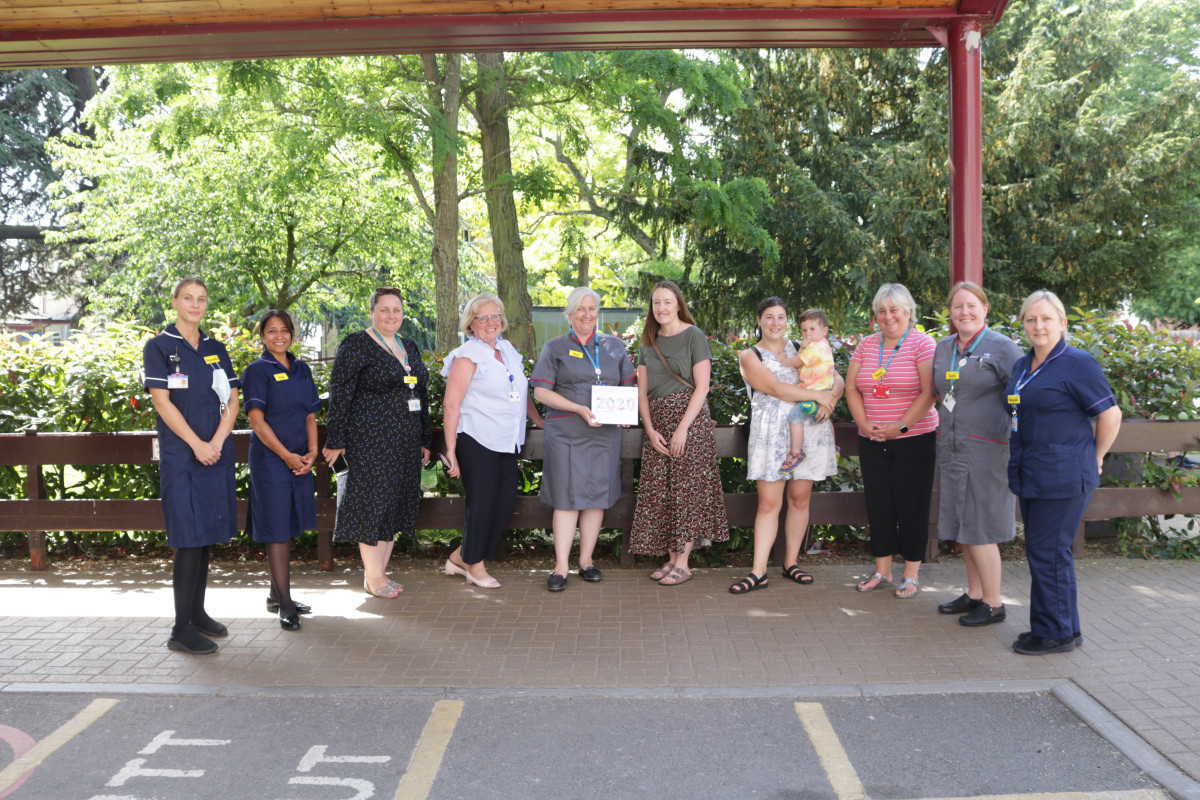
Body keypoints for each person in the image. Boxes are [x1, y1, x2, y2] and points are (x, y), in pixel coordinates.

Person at [1007, 290, 1121, 655]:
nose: (1038, 326)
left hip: (1064, 474)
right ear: (1023, 324)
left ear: (1062, 323)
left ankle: (1054, 634)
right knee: (1048, 552)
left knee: (1048, 551)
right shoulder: (1023, 365)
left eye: (1046, 318)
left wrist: (1097, 455)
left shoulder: (1077, 363)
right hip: (1032, 471)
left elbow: (1110, 414)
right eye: (1031, 319)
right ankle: (1062, 628)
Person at [143, 277, 241, 655]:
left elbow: (232, 399)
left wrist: (215, 442)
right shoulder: (160, 347)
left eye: (201, 299)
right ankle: (180, 629)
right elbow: (163, 403)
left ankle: (197, 613)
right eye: (188, 298)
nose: (195, 304)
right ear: (175, 302)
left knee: (204, 538)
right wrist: (197, 444)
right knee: (187, 539)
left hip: (214, 454)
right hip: (183, 458)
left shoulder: (216, 348)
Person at [321, 288, 431, 599]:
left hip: (406, 442)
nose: (391, 315)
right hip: (370, 440)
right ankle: (374, 575)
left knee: (394, 506)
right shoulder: (357, 344)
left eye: (396, 310)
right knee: (372, 505)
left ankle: (378, 574)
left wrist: (424, 438)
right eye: (384, 310)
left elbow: (420, 394)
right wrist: (337, 439)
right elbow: (340, 394)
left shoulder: (408, 345)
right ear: (372, 312)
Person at [731, 297, 842, 594]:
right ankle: (758, 572)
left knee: (799, 500)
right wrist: (819, 397)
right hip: (770, 435)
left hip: (806, 430)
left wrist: (830, 399)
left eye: (781, 317)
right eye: (769, 317)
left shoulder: (804, 346)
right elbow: (774, 388)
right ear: (759, 320)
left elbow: (836, 378)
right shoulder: (750, 355)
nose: (776, 323)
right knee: (768, 504)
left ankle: (791, 563)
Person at [531, 286, 636, 592]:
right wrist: (577, 407)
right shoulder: (554, 347)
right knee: (566, 499)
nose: (587, 314)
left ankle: (586, 562)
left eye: (592, 309)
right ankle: (561, 567)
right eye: (580, 309)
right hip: (566, 433)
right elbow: (541, 391)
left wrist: (625, 411)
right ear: (570, 314)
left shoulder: (614, 347)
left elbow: (630, 385)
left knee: (596, 497)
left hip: (604, 434)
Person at [931, 282, 1024, 627]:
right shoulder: (944, 348)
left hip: (988, 451)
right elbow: (939, 392)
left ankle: (994, 603)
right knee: (963, 524)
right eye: (957, 307)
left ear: (985, 309)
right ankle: (974, 594)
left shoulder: (1003, 348)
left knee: (982, 528)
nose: (964, 313)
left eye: (972, 306)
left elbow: (1022, 397)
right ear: (950, 312)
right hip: (953, 448)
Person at [628, 280, 729, 586]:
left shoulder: (693, 336)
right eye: (656, 302)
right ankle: (671, 558)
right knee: (663, 493)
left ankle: (683, 563)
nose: (661, 308)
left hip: (690, 422)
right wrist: (649, 429)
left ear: (678, 304)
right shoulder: (648, 342)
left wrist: (682, 428)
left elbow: (702, 387)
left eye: (667, 302)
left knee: (687, 491)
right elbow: (642, 393)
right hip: (657, 424)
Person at [442, 292, 544, 589]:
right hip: (477, 439)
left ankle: (461, 557)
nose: (490, 322)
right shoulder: (467, 356)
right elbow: (451, 404)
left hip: (507, 440)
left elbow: (520, 389)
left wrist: (537, 420)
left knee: (504, 502)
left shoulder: (508, 349)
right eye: (482, 317)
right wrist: (451, 450)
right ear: (470, 324)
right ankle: (475, 566)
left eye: (495, 316)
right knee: (483, 504)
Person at [845, 283, 938, 599]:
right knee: (879, 504)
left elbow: (930, 392)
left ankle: (910, 574)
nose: (888, 317)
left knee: (912, 505)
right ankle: (882, 571)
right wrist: (863, 424)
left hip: (915, 438)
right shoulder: (866, 345)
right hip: (871, 437)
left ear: (909, 312)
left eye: (894, 310)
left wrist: (899, 426)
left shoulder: (923, 344)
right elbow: (851, 388)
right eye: (882, 311)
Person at [242, 309, 321, 631]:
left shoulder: (302, 369)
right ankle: (285, 605)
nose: (279, 336)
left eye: (284, 330)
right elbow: (257, 422)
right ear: (262, 337)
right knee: (276, 528)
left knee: (288, 524)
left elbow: (310, 416)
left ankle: (276, 595)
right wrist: (287, 455)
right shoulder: (257, 371)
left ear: (292, 334)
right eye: (271, 331)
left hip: (300, 461)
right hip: (271, 462)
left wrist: (312, 451)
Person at [778, 308, 837, 473]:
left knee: (795, 416)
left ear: (824, 331)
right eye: (804, 330)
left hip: (817, 391)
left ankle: (796, 452)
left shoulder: (817, 347)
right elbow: (802, 358)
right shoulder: (818, 344)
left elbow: (798, 362)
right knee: (823, 416)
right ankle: (833, 445)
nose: (807, 334)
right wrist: (803, 347)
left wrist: (782, 361)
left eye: (812, 329)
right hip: (818, 389)